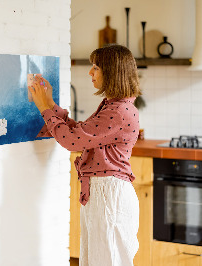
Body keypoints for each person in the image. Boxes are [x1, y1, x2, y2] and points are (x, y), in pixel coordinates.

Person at [29, 44, 141, 266]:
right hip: (104, 193)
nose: (90, 72)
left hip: (109, 195)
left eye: (96, 67)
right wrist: (50, 103)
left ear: (112, 72)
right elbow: (80, 133)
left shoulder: (118, 111)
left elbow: (72, 141)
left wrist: (44, 108)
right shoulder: (114, 106)